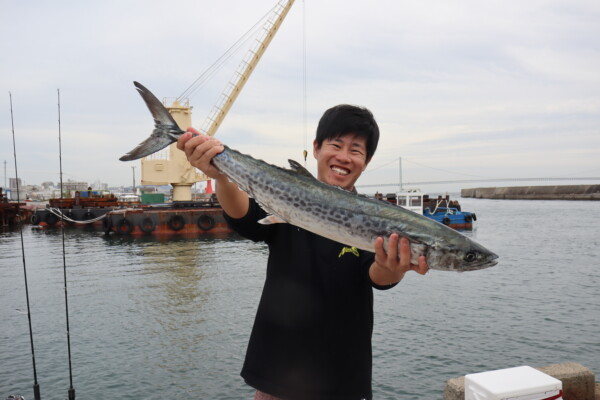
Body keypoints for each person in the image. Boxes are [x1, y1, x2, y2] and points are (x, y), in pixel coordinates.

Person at [177, 104, 429, 400]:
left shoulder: (373, 218)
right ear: (317, 148)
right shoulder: (287, 198)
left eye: (356, 150)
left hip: (343, 377)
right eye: (336, 145)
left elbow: (377, 277)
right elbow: (244, 215)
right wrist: (220, 175)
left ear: (367, 160)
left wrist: (394, 266)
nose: (344, 157)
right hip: (277, 375)